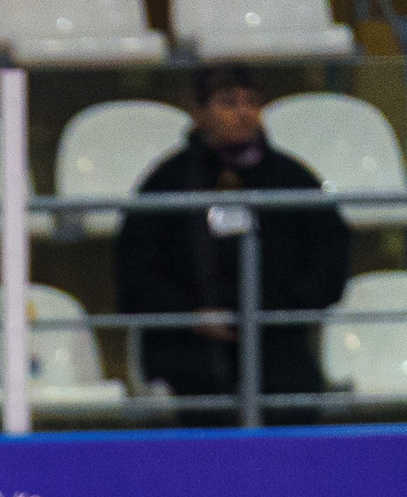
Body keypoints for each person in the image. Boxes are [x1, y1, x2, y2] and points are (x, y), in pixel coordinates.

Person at [116, 63, 352, 424]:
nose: (243, 113)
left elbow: (329, 258)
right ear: (200, 112)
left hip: (278, 342)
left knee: (294, 407)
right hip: (190, 349)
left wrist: (276, 309)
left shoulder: (292, 178)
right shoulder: (167, 182)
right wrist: (191, 315)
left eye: (251, 102)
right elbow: (135, 272)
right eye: (228, 102)